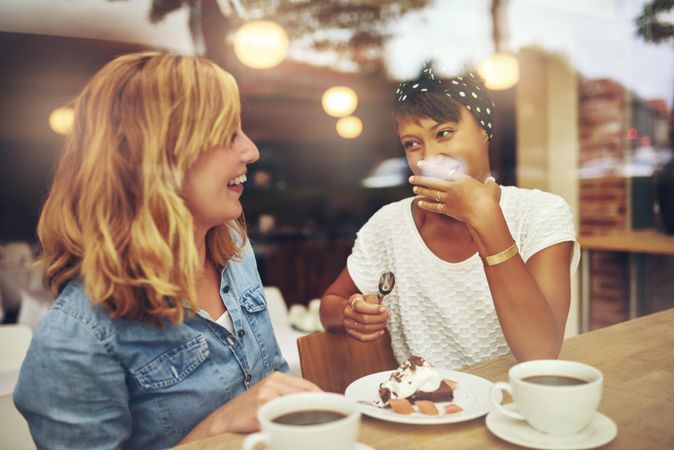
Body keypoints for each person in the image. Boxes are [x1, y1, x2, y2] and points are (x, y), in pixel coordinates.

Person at [13, 52, 319, 449]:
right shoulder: (76, 338)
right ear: (159, 157)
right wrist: (217, 425)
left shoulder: (234, 251)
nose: (252, 151)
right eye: (229, 135)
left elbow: (270, 396)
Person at [320, 67, 580, 370]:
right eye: (412, 144)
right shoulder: (389, 224)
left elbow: (541, 352)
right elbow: (331, 304)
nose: (429, 157)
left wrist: (485, 218)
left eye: (444, 133)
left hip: (515, 408)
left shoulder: (541, 213)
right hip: (426, 410)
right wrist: (350, 314)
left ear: (485, 131)